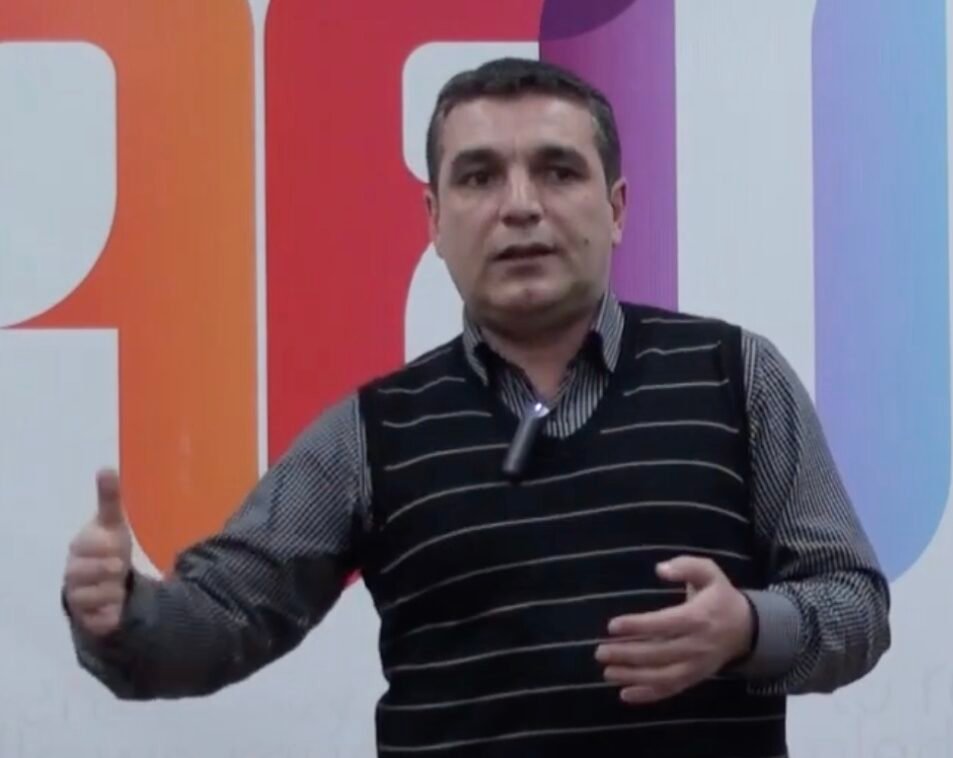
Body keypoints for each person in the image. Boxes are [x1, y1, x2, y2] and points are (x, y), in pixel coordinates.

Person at [63, 57, 891, 756]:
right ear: (433, 220)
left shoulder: (736, 378)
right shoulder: (372, 435)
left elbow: (855, 604)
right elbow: (224, 618)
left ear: (617, 209)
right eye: (479, 176)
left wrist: (748, 628)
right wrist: (121, 614)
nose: (520, 205)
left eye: (558, 171)